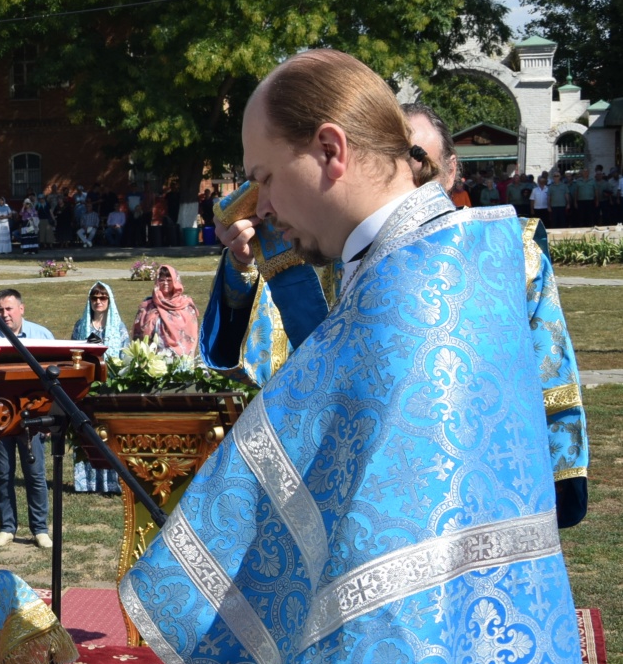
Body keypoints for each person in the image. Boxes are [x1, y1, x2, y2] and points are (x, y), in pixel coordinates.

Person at [121, 48, 596, 664]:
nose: (261, 208)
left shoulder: (402, 299)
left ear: (331, 150)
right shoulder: (462, 258)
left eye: (263, 179)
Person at [201, 101, 589, 525]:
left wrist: (558, 484)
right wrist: (243, 264)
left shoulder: (508, 251)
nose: (412, 182)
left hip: (477, 488)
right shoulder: (325, 258)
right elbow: (259, 357)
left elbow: (549, 370)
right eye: (401, 164)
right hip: (352, 496)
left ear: (452, 170)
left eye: (424, 165)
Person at [0, 289, 52, 549]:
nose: (5, 314)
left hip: (32, 420)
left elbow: (54, 381)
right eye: (0, 310)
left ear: (21, 309)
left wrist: (47, 417)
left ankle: (40, 529)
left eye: (9, 309)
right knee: (3, 474)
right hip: (1, 418)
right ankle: (7, 527)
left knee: (34, 475)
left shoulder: (42, 336)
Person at [70, 283, 124, 493]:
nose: (98, 301)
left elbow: (125, 356)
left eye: (103, 298)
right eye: (95, 298)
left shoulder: (118, 327)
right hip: (87, 388)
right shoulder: (80, 326)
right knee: (88, 432)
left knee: (110, 434)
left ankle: (112, 482)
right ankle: (89, 482)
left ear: (109, 301)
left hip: (111, 388)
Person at [131, 265, 199, 357]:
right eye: (162, 280)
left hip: (179, 359)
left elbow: (192, 335)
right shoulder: (147, 306)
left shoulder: (186, 306)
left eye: (169, 280)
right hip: (151, 359)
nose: (165, 283)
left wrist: (188, 359)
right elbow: (137, 335)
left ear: (176, 281)